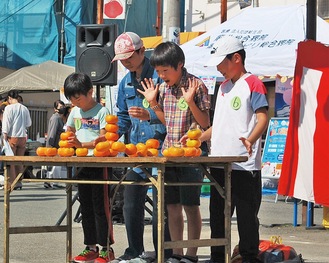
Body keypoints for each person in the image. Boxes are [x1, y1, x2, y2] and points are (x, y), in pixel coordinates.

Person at [138, 41, 210, 263]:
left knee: (191, 206)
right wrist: (153, 103)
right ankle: (177, 253)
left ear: (180, 65)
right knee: (172, 207)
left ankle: (191, 254)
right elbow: (166, 122)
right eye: (158, 71)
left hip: (191, 156)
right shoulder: (165, 88)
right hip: (169, 154)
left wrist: (190, 102)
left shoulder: (196, 85)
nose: (161, 75)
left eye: (165, 71)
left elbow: (206, 123)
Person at [200, 35, 269, 263]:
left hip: (243, 164)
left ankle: (249, 257)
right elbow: (219, 124)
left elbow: (262, 118)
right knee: (218, 217)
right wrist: (200, 136)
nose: (219, 68)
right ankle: (217, 257)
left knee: (247, 217)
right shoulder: (223, 87)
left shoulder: (253, 83)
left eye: (222, 63)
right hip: (218, 162)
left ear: (236, 58)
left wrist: (251, 139)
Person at [108, 32, 170, 263]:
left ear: (142, 51)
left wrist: (150, 115)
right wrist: (111, 139)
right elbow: (122, 117)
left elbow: (171, 112)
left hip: (162, 148)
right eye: (122, 59)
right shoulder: (125, 82)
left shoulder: (160, 75)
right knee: (131, 202)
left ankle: (163, 252)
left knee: (160, 207)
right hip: (135, 151)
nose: (125, 62)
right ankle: (135, 250)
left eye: (129, 57)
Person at [63, 72, 115, 263]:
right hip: (81, 163)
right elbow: (69, 131)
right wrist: (69, 141)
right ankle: (90, 246)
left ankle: (106, 248)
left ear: (90, 92)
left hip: (99, 163)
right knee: (85, 206)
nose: (76, 103)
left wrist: (81, 145)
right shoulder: (74, 112)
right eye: (72, 99)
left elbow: (104, 140)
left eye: (78, 98)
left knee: (101, 206)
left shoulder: (102, 111)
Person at [2, 90, 32, 189]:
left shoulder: (8, 108)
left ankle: (12, 182)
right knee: (20, 160)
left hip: (12, 136)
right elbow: (29, 123)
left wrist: (4, 135)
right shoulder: (24, 108)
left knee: (11, 161)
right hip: (22, 136)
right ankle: (19, 181)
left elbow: (6, 123)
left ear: (9, 98)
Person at [44, 100, 67, 189]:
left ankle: (54, 181)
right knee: (53, 165)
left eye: (63, 107)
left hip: (57, 145)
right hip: (54, 146)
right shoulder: (56, 118)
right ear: (55, 109)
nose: (62, 109)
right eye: (60, 107)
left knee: (56, 165)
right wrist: (51, 145)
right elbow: (52, 133)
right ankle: (50, 181)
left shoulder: (59, 118)